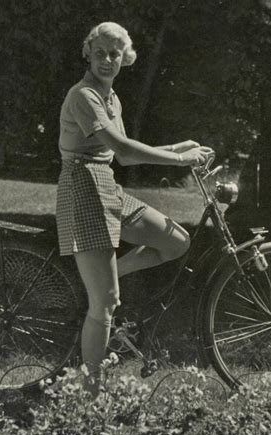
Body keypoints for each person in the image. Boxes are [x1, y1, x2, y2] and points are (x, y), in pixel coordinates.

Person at [56, 22, 212, 396]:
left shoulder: (112, 98)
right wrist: (180, 160)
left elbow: (121, 155)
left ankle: (109, 277)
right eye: (100, 53)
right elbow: (124, 151)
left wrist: (179, 148)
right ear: (87, 54)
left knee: (176, 241)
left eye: (115, 54)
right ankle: (91, 394)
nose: (108, 60)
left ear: (125, 58)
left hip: (107, 184)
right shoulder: (84, 96)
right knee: (106, 304)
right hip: (82, 187)